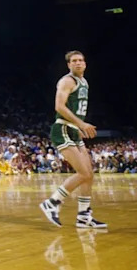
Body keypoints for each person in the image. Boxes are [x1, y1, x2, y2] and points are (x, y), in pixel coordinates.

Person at [39, 51, 107, 229]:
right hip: (62, 129)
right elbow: (59, 106)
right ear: (68, 65)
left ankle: (84, 216)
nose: (78, 63)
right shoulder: (67, 81)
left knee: (89, 175)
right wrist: (81, 124)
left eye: (81, 60)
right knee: (83, 173)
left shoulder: (84, 82)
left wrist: (79, 126)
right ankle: (52, 202)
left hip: (74, 131)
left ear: (85, 64)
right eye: (74, 61)